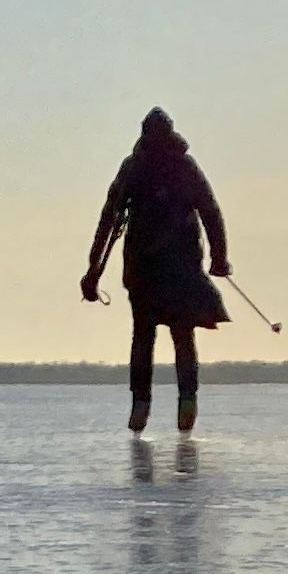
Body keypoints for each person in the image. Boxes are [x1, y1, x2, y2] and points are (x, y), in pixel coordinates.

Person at [81, 107, 230, 433]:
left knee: (145, 335)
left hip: (147, 267)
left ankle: (142, 404)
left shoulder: (136, 167)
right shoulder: (182, 167)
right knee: (181, 334)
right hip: (175, 267)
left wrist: (93, 270)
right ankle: (183, 400)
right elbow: (210, 210)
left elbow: (108, 218)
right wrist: (219, 259)